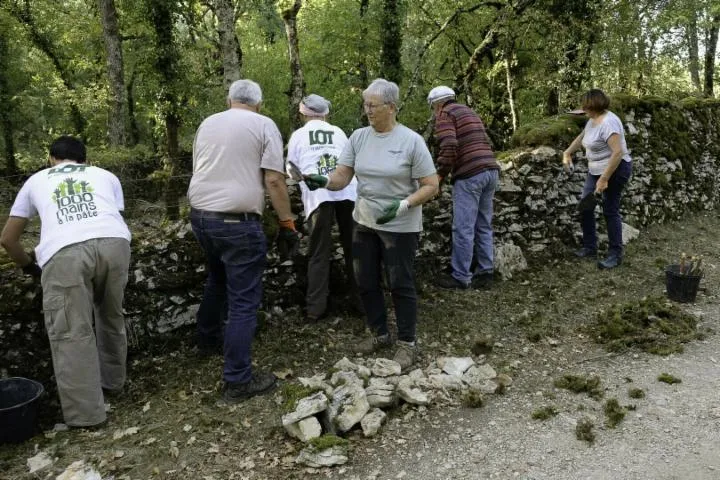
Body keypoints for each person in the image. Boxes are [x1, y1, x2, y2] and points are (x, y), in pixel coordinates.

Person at [304, 78, 438, 371]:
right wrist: (323, 181)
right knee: (365, 280)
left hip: (400, 226)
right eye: (365, 104)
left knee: (400, 283)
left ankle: (407, 343)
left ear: (391, 107)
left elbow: (431, 185)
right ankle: (379, 334)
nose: (367, 110)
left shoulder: (411, 141)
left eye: (372, 105)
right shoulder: (359, 138)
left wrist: (404, 204)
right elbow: (342, 177)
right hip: (364, 221)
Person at [0, 136, 132, 428]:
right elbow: (109, 216)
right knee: (111, 315)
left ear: (51, 159)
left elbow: (8, 239)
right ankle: (113, 383)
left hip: (65, 252)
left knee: (72, 331)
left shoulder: (36, 180)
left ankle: (88, 416)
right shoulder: (106, 176)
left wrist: (28, 267)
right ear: (85, 158)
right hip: (115, 243)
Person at [187, 79, 298, 403]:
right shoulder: (263, 125)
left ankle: (207, 340)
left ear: (229, 99)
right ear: (259, 104)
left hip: (202, 217)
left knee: (217, 279)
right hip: (237, 222)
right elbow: (275, 179)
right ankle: (237, 380)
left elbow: (202, 168)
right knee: (243, 302)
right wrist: (287, 223)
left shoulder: (208, 123)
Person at [287, 94, 358, 322]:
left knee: (318, 250)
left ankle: (315, 308)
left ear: (303, 114)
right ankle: (363, 301)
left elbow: (291, 170)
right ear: (325, 113)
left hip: (319, 194)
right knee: (355, 248)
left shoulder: (298, 135)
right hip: (348, 189)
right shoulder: (338, 132)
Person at [427, 86, 502, 290]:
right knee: (483, 224)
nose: (434, 112)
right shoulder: (470, 112)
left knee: (463, 227)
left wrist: (440, 175)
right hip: (490, 170)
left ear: (437, 104)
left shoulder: (445, 114)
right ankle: (485, 271)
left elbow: (449, 144)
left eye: (433, 107)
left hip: (470, 174)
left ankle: (460, 276)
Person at [563, 89, 632, 269]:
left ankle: (615, 255)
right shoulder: (593, 119)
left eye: (586, 106)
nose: (583, 109)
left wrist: (604, 178)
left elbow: (617, 153)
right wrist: (568, 151)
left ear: (595, 105)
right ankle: (590, 247)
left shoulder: (609, 123)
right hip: (595, 170)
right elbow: (582, 137)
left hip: (616, 169)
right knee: (586, 206)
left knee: (610, 210)